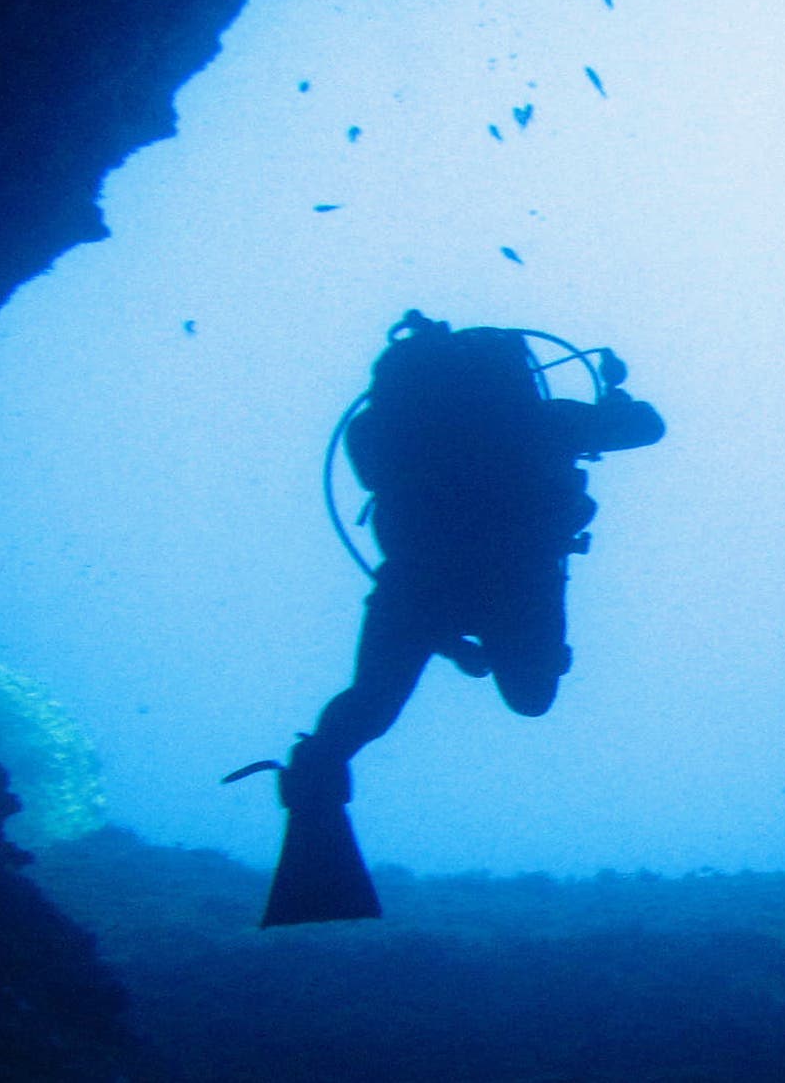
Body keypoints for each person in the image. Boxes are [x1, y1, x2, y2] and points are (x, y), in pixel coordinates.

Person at [233, 310, 664, 926]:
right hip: (519, 582)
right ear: (517, 372)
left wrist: (444, 638)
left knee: (371, 702)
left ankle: (316, 772)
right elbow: (648, 428)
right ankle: (492, 663)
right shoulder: (541, 421)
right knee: (532, 696)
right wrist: (614, 393)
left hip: (416, 585)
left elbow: (393, 495)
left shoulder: (377, 428)